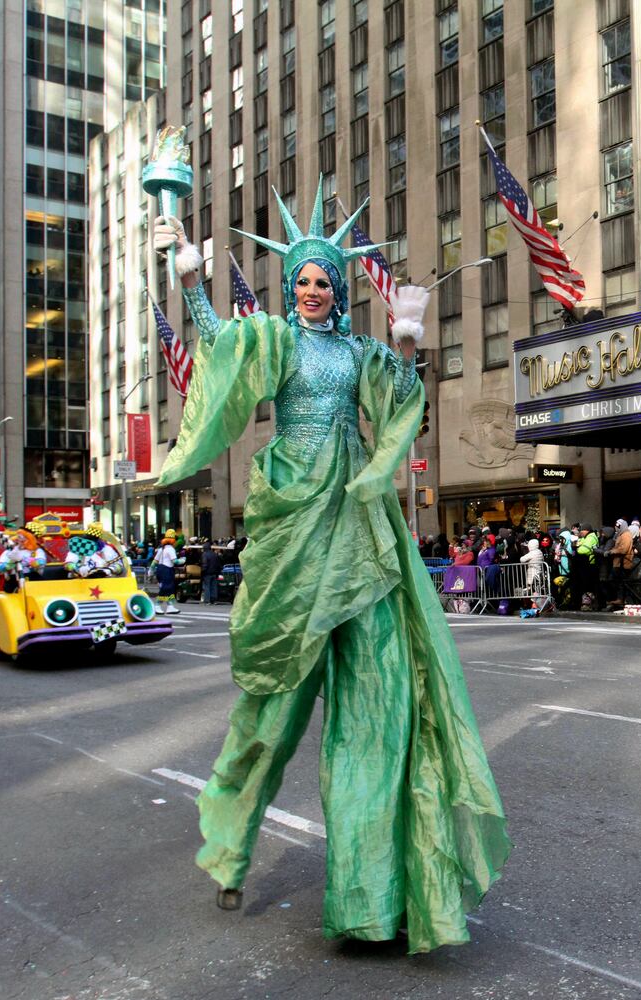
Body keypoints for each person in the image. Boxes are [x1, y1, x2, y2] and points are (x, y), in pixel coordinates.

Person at [151, 179, 507, 951]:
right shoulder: (273, 341)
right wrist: (186, 280)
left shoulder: (357, 351)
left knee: (381, 709)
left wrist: (408, 337)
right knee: (273, 715)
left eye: (323, 282)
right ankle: (231, 850)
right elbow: (217, 351)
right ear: (291, 287)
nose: (311, 291)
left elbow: (402, 395)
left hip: (360, 526)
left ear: (341, 292)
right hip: (294, 529)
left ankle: (372, 893)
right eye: (302, 280)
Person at [153, 531, 181, 614]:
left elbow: (155, 561)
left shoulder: (161, 549)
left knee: (168, 589)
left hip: (160, 569)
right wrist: (182, 560)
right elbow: (175, 561)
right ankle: (157, 605)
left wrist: (151, 570)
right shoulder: (171, 549)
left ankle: (170, 606)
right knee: (166, 588)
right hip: (167, 570)